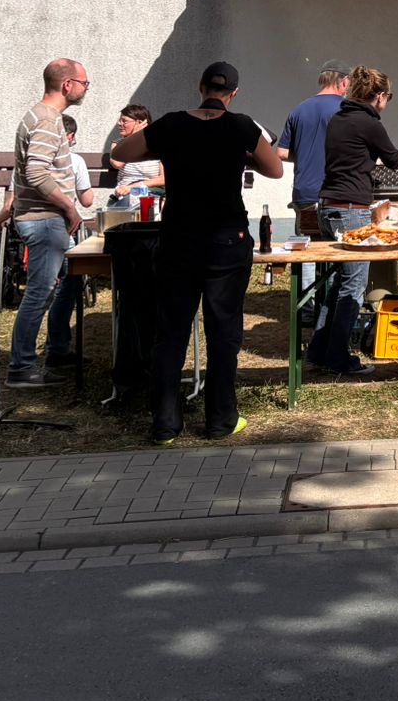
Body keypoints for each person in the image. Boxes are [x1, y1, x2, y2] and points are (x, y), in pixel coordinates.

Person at [109, 61, 282, 444]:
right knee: (224, 332)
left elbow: (123, 152)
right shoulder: (241, 126)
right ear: (233, 94)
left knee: (170, 333)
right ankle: (221, 420)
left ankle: (165, 424)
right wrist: (243, 156)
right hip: (226, 240)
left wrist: (169, 150)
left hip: (179, 238)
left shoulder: (171, 124)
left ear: (200, 86)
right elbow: (275, 170)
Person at [305, 65, 398, 375]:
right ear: (379, 96)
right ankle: (339, 357)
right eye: (389, 97)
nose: (387, 103)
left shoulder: (339, 118)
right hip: (352, 209)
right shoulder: (369, 122)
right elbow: (393, 160)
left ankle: (319, 350)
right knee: (353, 287)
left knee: (337, 283)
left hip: (327, 207)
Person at [7, 57, 90, 386]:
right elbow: (37, 172)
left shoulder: (42, 116)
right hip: (44, 220)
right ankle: (22, 367)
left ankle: (57, 348)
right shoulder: (46, 120)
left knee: (69, 278)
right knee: (40, 293)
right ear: (67, 85)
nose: (86, 88)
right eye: (84, 82)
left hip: (45, 220)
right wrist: (69, 208)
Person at [277, 63, 349, 240]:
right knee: (340, 250)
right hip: (335, 193)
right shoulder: (347, 110)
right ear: (344, 82)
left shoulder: (299, 110)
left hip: (304, 194)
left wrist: (305, 154)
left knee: (307, 250)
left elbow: (281, 153)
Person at [107, 104, 163, 204]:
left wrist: (134, 186)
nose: (119, 124)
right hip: (125, 195)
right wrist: (134, 137)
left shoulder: (157, 146)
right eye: (120, 120)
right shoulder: (118, 144)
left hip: (152, 193)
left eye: (124, 121)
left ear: (139, 123)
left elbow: (163, 179)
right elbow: (117, 164)